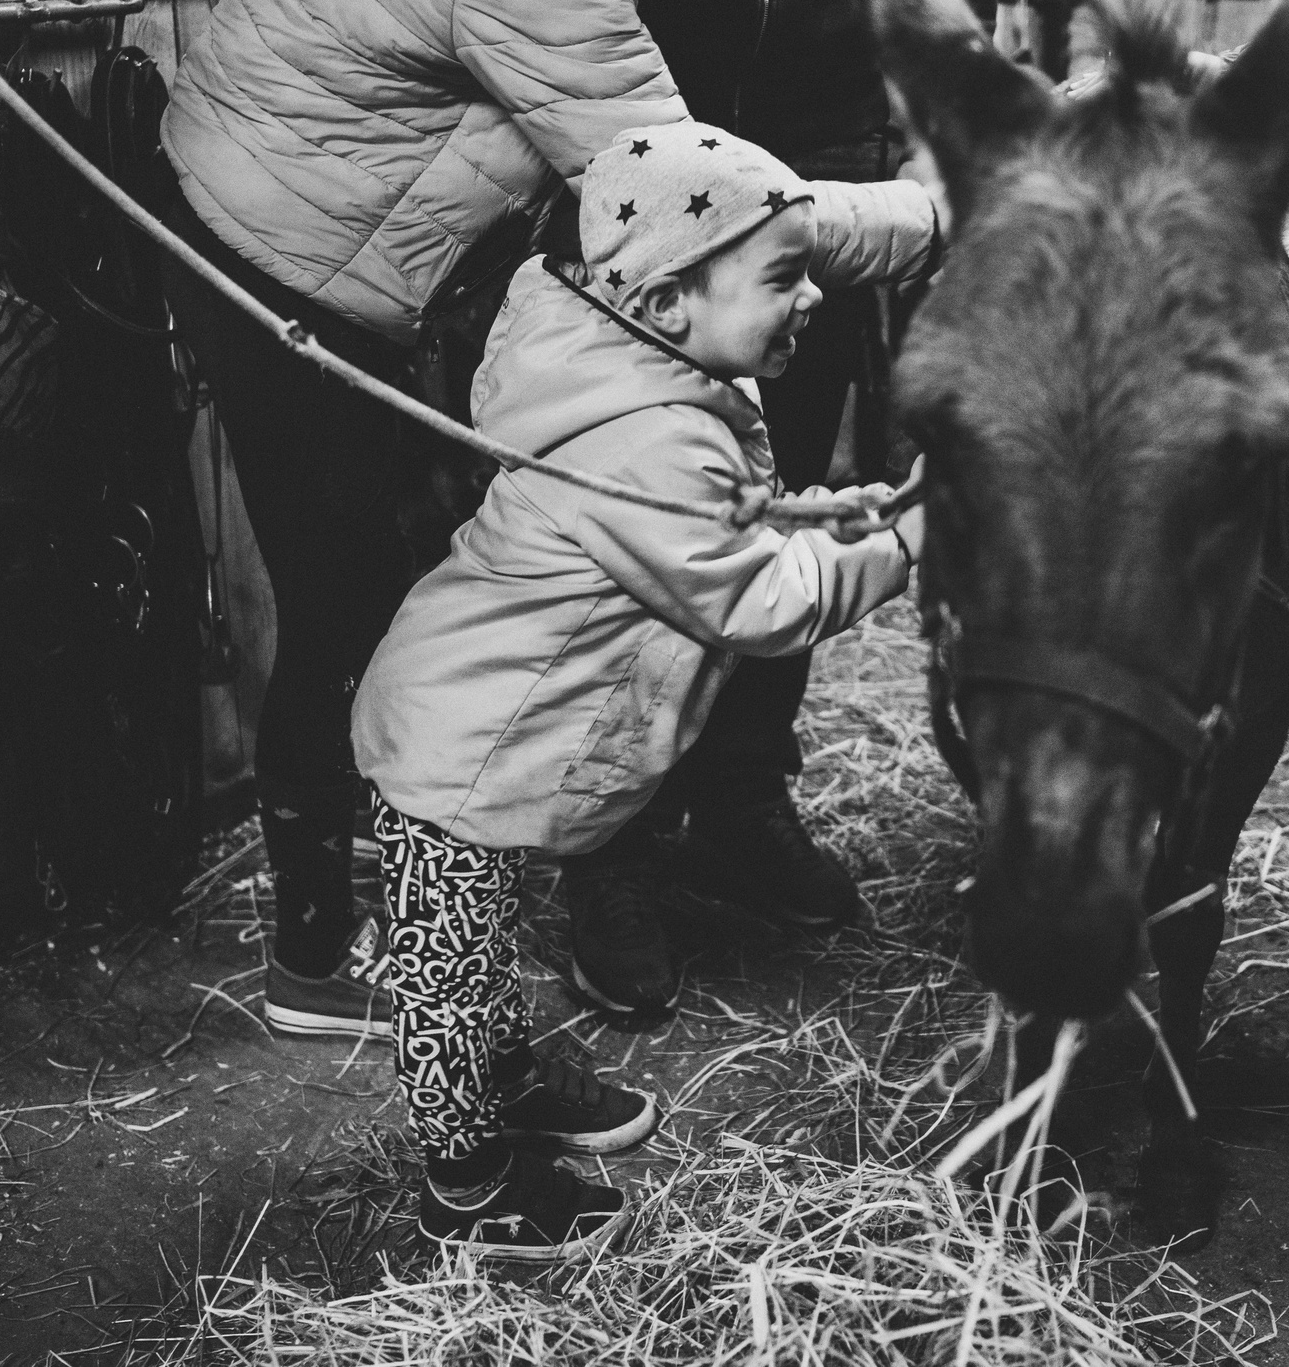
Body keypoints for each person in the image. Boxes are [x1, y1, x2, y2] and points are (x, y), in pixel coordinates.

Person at [153, 0, 829, 1039]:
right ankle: (315, 960)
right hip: (290, 256)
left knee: (395, 582)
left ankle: (382, 886)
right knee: (359, 601)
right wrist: (922, 220)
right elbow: (684, 199)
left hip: (245, 198)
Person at [354, 120, 931, 1258]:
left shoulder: (645, 372)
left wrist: (845, 508)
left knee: (476, 949)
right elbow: (759, 603)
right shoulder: (649, 437)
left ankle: (505, 1079)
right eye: (781, 276)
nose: (810, 296)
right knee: (448, 967)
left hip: (487, 722)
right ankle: (465, 1181)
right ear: (669, 302)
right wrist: (908, 545)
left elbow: (733, 521)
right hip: (459, 747)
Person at [564, 0, 1001, 1018]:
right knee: (631, 498)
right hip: (640, 133)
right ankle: (610, 845)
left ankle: (742, 795)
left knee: (775, 483)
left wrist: (957, 145)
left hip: (821, 143)